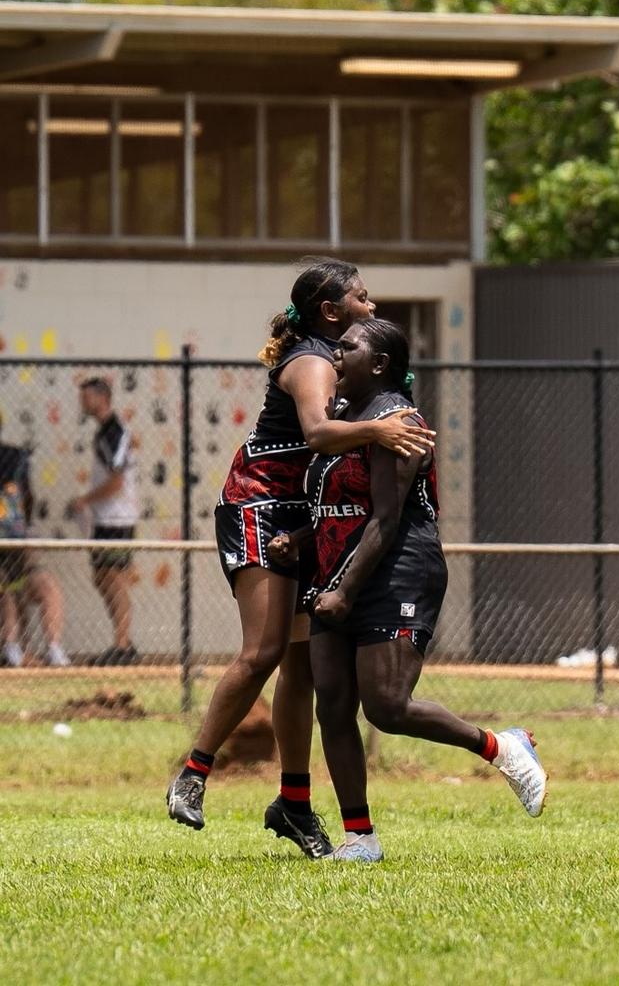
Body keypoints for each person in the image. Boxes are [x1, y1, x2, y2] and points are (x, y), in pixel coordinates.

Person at [166, 258, 435, 860]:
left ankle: (292, 801)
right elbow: (315, 432)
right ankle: (193, 771)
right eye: (363, 299)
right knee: (263, 651)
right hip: (260, 505)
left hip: (301, 518)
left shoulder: (347, 361)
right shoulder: (313, 359)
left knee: (301, 667)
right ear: (331, 311)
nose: (373, 306)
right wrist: (379, 431)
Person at [271, 319, 547, 862]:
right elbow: (342, 506)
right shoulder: (348, 418)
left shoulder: (400, 422)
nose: (336, 354)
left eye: (347, 347)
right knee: (333, 705)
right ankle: (361, 839)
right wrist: (299, 539)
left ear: (378, 364)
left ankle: (501, 746)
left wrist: (346, 594)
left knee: (388, 706)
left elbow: (387, 519)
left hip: (397, 570)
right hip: (338, 572)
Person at [71, 377, 139, 667]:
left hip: (117, 518)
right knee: (101, 577)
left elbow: (117, 481)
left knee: (114, 578)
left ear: (103, 397)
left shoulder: (114, 432)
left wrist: (85, 500)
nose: (83, 403)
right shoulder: (103, 432)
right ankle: (122, 641)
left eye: (87, 397)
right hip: (104, 518)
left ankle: (122, 645)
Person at [0, 413, 69, 667]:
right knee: (7, 591)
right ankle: (13, 649)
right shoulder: (16, 459)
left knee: (44, 586)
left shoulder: (16, 458)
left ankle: (52, 649)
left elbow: (28, 497)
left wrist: (24, 531)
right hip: (9, 547)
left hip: (16, 543)